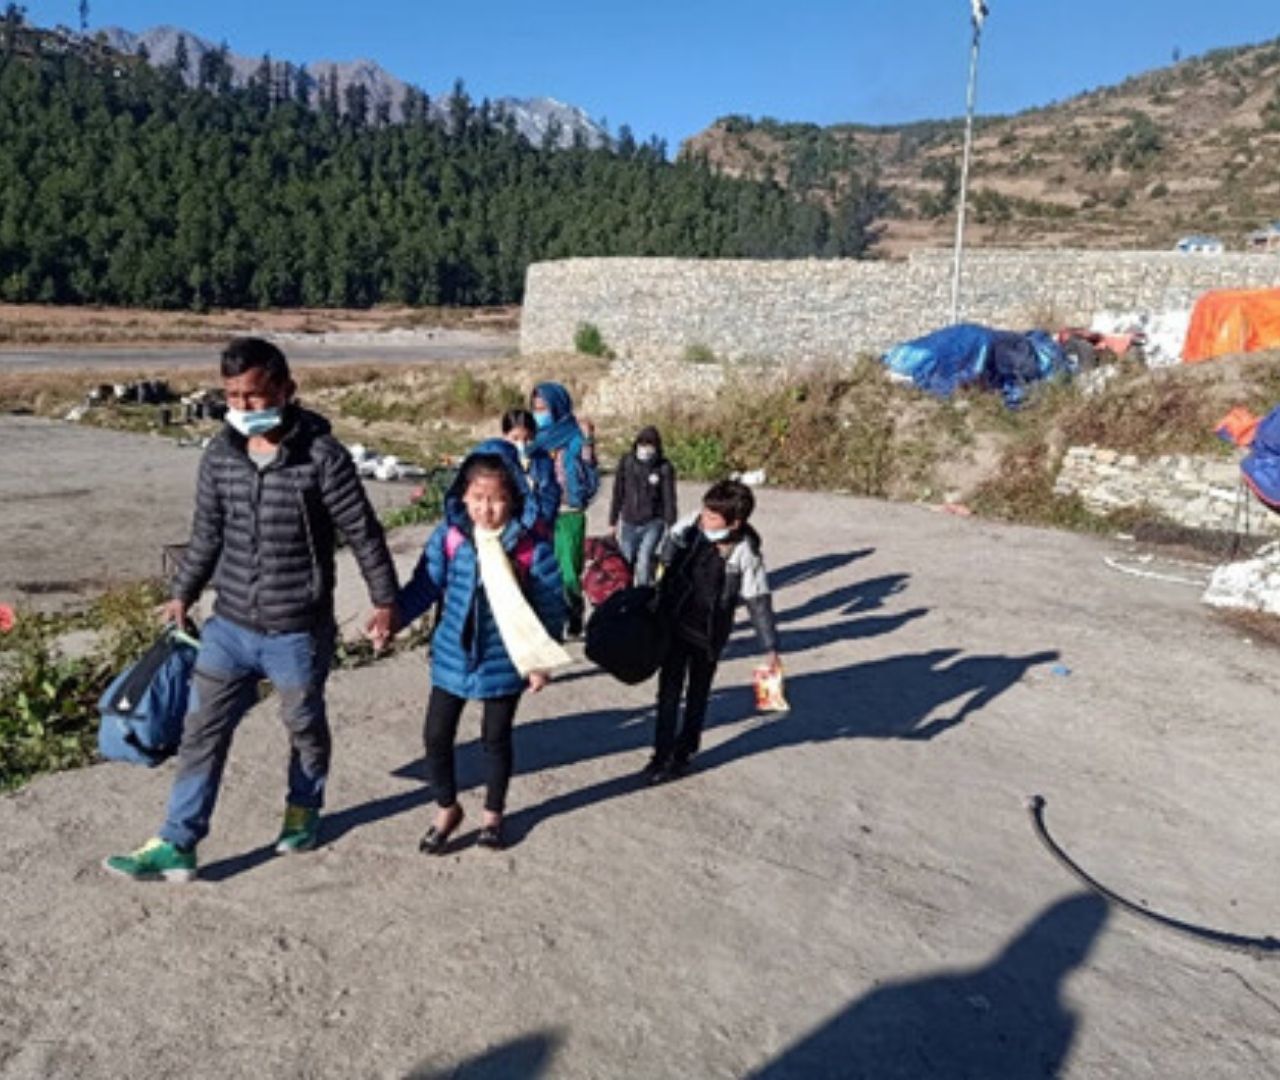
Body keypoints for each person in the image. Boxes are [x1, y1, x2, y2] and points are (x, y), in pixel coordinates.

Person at [104, 337, 399, 882]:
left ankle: (302, 810)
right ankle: (177, 841)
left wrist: (385, 601)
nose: (243, 408)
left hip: (296, 630)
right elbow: (206, 533)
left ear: (287, 391)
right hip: (230, 626)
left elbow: (364, 533)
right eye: (233, 397)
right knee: (201, 732)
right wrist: (183, 592)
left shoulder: (322, 458)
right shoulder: (220, 456)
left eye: (255, 396)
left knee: (303, 724)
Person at [389, 440, 567, 853]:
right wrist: (394, 617)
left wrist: (540, 662)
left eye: (498, 500)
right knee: (436, 736)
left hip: (505, 658)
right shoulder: (451, 538)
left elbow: (550, 606)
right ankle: (447, 807)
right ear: (462, 496)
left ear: (514, 498)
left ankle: (493, 816)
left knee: (495, 738)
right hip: (452, 654)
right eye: (478, 498)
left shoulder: (530, 547)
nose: (486, 510)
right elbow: (424, 586)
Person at [647, 480, 781, 784]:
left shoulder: (745, 553)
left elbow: (758, 601)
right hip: (675, 627)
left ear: (735, 522)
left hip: (709, 636)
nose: (704, 518)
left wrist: (770, 649)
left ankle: (684, 754)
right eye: (705, 511)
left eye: (712, 517)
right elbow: (664, 563)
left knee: (698, 694)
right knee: (668, 694)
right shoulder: (688, 527)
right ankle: (660, 754)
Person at [530, 382, 598, 636]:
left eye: (544, 408)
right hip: (541, 514)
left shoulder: (576, 436)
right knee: (545, 569)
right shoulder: (535, 439)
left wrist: (589, 440)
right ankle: (553, 622)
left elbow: (590, 474)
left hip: (569, 511)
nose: (539, 413)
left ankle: (574, 610)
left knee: (569, 571)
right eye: (535, 408)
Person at [609, 425, 677, 588]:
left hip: (653, 521)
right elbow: (618, 491)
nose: (646, 449)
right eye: (643, 444)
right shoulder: (627, 462)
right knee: (626, 558)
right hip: (629, 521)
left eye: (650, 445)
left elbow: (669, 498)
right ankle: (624, 591)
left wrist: (671, 524)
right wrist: (613, 520)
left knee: (644, 559)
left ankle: (642, 594)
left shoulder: (664, 467)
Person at [501, 408, 560, 530]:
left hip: (538, 528)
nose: (522, 445)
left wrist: (539, 523)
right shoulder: (497, 463)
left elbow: (550, 495)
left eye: (527, 439)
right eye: (515, 438)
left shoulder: (543, 462)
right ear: (505, 436)